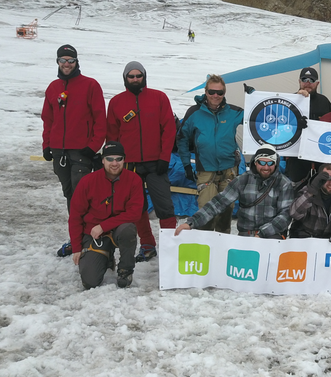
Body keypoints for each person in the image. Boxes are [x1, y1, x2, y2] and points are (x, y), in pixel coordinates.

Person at [106, 61, 176, 262]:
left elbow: (169, 129)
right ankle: (147, 244)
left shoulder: (159, 98)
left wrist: (165, 157)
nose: (135, 79)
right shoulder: (117, 103)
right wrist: (115, 162)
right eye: (131, 76)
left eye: (139, 76)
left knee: (164, 205)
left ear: (144, 76)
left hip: (156, 163)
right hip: (129, 165)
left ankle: (171, 245)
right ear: (125, 79)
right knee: (137, 207)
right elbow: (112, 135)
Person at [41, 44, 106, 257]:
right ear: (58, 62)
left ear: (77, 62)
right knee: (69, 195)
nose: (67, 64)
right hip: (60, 152)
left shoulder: (90, 85)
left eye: (71, 60)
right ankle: (76, 237)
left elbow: (99, 118)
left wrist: (93, 146)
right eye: (63, 60)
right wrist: (47, 145)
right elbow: (48, 119)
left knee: (82, 197)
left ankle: (88, 238)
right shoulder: (53, 88)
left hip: (82, 152)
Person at [68, 141, 144, 289]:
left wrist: (104, 226)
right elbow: (75, 216)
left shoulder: (134, 180)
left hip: (118, 230)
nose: (114, 163)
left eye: (119, 159)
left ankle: (125, 270)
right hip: (94, 234)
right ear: (102, 160)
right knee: (90, 282)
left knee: (128, 229)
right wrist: (77, 247)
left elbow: (134, 213)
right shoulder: (87, 181)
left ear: (124, 160)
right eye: (110, 159)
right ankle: (105, 256)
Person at [175, 145, 293, 238]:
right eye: (262, 162)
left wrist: (262, 233)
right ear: (255, 162)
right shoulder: (242, 180)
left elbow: (285, 215)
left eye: (270, 163)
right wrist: (191, 223)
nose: (266, 167)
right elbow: (218, 203)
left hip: (272, 236)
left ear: (276, 164)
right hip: (246, 235)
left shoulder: (283, 183)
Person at [177, 75, 245, 235]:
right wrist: (186, 164)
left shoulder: (234, 112)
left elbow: (258, 114)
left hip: (228, 170)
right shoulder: (194, 113)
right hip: (206, 170)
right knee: (206, 214)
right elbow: (182, 139)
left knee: (225, 214)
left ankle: (222, 250)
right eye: (212, 92)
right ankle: (204, 249)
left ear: (224, 93)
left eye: (219, 93)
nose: (216, 96)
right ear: (206, 92)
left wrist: (254, 96)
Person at [285, 66, 331, 186]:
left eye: (311, 80)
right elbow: (280, 125)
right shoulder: (289, 100)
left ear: (317, 83)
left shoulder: (324, 102)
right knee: (297, 192)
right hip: (296, 158)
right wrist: (297, 98)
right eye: (304, 79)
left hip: (319, 157)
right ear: (299, 81)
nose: (308, 83)